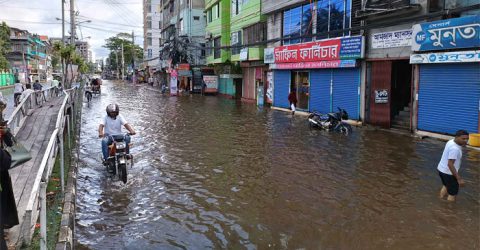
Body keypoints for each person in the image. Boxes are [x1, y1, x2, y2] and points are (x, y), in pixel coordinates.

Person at [437, 130, 469, 202]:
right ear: (457, 137)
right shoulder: (455, 149)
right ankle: (449, 209)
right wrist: (458, 178)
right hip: (449, 173)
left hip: (441, 169)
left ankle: (440, 199)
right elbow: (450, 164)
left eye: (467, 139)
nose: (466, 141)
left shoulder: (451, 141)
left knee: (446, 185)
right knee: (452, 194)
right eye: (463, 139)